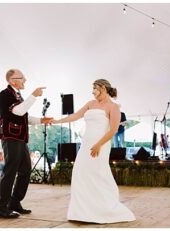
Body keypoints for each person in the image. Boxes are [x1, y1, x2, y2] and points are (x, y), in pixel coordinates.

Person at [45, 79, 135, 224]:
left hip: (101, 144)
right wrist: (56, 121)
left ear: (104, 88)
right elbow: (75, 116)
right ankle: (81, 211)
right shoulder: (90, 104)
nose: (93, 92)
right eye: (92, 89)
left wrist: (99, 144)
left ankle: (103, 209)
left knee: (97, 174)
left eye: (95, 88)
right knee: (80, 172)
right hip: (86, 143)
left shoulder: (113, 107)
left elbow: (113, 130)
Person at [0, 68, 51, 219]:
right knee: (10, 171)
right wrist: (33, 95)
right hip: (10, 137)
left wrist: (41, 120)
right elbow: (18, 111)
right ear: (12, 81)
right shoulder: (5, 94)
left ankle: (14, 202)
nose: (25, 80)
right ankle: (0, 208)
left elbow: (23, 116)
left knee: (26, 169)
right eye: (22, 78)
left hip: (20, 138)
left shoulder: (18, 96)